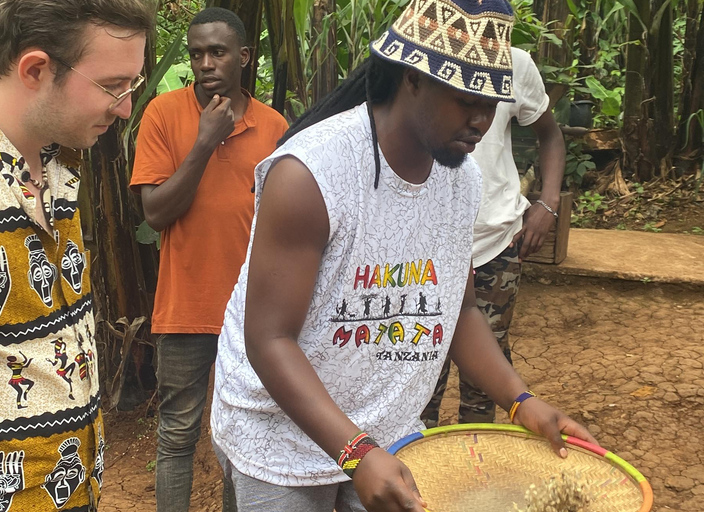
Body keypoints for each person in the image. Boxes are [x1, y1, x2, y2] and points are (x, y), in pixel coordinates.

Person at [210, 1, 596, 511]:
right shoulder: (311, 174)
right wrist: (356, 451)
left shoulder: (462, 179)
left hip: (386, 433)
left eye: (492, 104)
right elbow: (269, 339)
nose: (482, 121)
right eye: (465, 99)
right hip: (279, 440)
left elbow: (457, 312)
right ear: (413, 79)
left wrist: (521, 401)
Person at [0, 1, 152, 510]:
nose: (125, 107)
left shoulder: (61, 161)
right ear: (36, 69)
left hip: (74, 484)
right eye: (112, 86)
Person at [129, 7, 288, 512]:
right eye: (196, 54)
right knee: (178, 434)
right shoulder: (162, 114)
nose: (205, 63)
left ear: (243, 57)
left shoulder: (275, 127)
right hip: (185, 305)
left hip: (254, 313)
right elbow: (155, 213)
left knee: (242, 438)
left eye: (217, 52)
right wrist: (203, 142)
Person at [421, 46, 566, 427]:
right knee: (421, 373)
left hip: (494, 244)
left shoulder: (515, 63)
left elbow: (550, 135)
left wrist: (548, 204)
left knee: (484, 376)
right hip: (425, 250)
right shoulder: (423, 58)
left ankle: (478, 465)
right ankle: (419, 470)